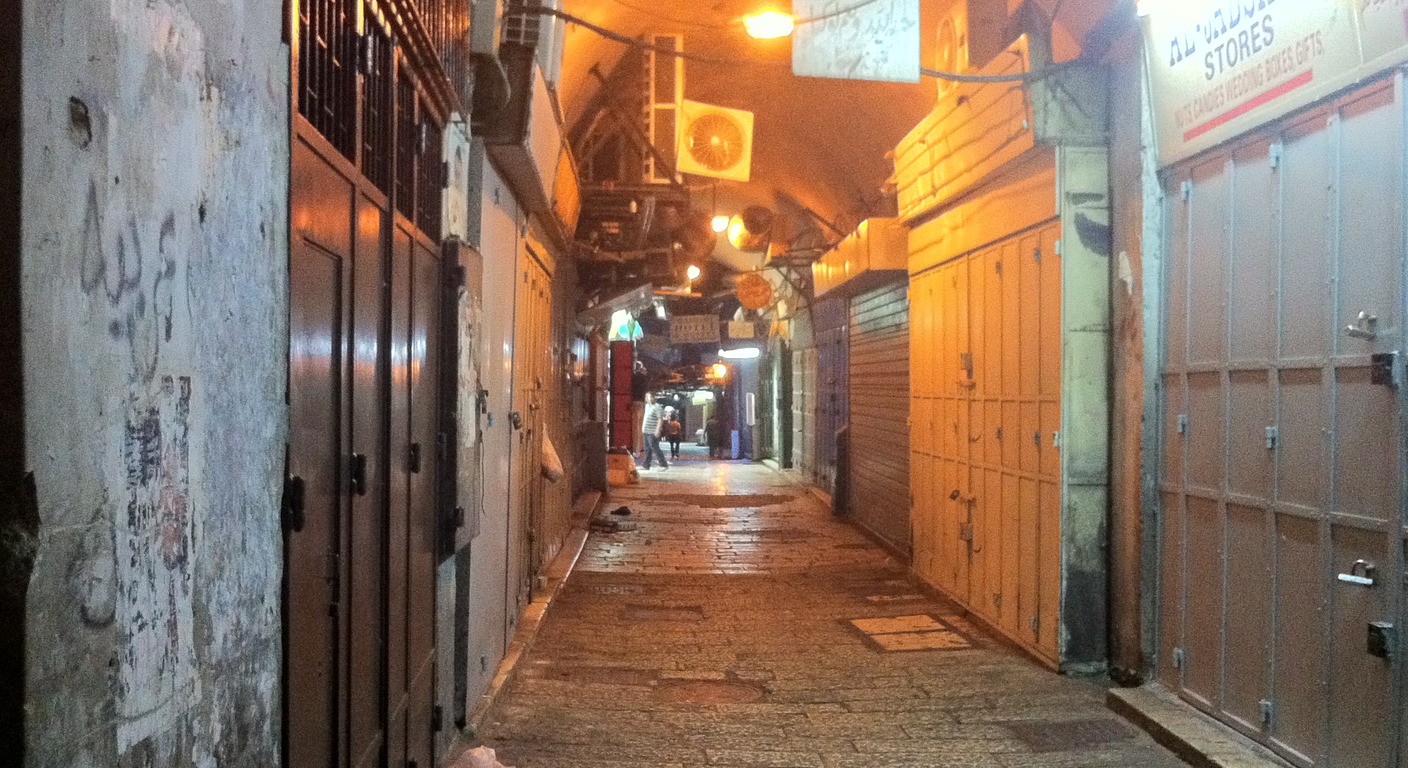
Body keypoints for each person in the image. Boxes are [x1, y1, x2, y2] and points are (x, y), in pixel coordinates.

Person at [640, 396, 669, 470]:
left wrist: (657, 430)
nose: (647, 398)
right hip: (646, 431)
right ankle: (646, 464)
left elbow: (660, 419)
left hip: (652, 431)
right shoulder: (647, 406)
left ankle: (663, 464)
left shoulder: (657, 407)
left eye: (648, 397)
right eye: (646, 397)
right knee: (647, 449)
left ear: (653, 397)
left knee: (655, 448)